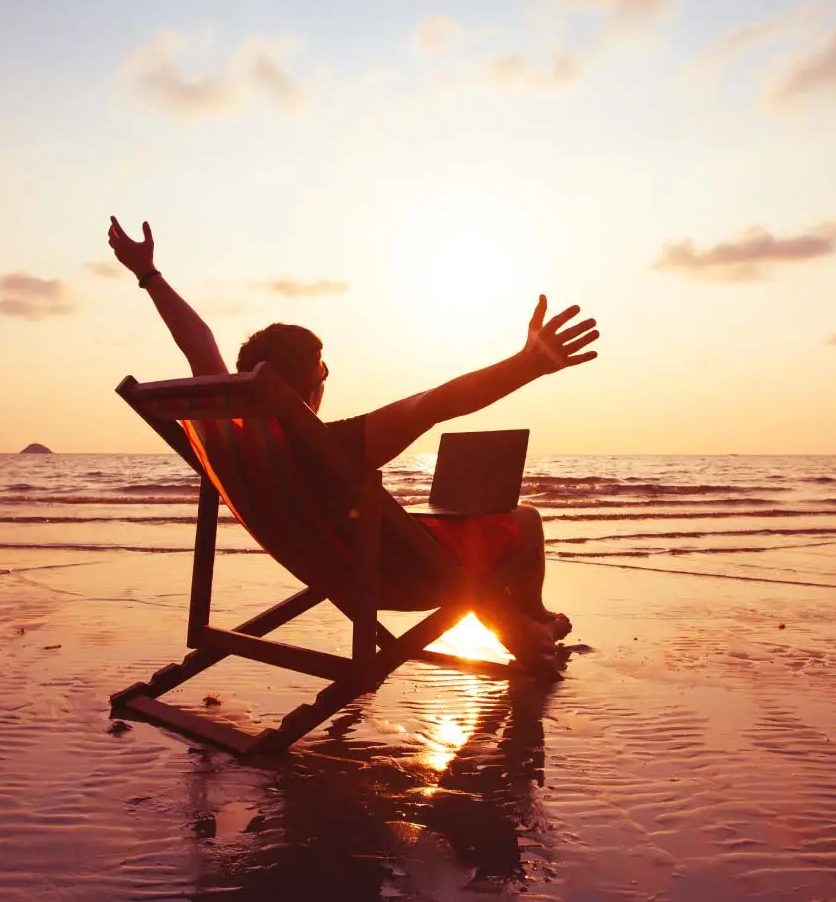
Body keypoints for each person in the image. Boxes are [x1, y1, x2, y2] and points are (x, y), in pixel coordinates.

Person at [107, 216, 599, 670]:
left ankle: (526, 631)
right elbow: (434, 404)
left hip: (328, 565)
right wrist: (527, 365)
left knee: (451, 539)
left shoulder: (236, 447)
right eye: (323, 372)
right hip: (395, 579)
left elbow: (199, 344)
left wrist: (148, 275)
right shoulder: (326, 447)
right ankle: (533, 621)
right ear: (308, 387)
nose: (326, 380)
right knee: (523, 520)